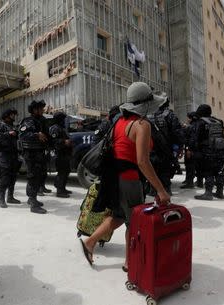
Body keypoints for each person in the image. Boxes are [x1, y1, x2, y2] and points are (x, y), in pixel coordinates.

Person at [79, 82, 171, 269]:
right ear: (145, 105)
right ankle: (130, 264)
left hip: (114, 178)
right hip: (129, 180)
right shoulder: (142, 125)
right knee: (135, 223)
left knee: (120, 216)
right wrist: (161, 190)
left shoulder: (119, 122)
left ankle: (90, 242)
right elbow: (143, 162)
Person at [147, 93, 183, 195]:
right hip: (166, 151)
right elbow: (178, 134)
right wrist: (179, 149)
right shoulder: (170, 115)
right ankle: (166, 192)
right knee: (165, 172)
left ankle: (153, 191)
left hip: (150, 151)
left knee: (152, 171)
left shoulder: (146, 115)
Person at [190, 104, 224, 200]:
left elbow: (196, 138)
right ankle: (220, 192)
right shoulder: (219, 122)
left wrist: (195, 150)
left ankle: (208, 193)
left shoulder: (201, 122)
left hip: (207, 151)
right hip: (220, 150)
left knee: (208, 172)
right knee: (219, 171)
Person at [18, 100, 49, 214]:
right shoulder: (28, 121)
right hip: (30, 153)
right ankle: (33, 202)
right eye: (40, 108)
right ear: (34, 110)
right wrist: (36, 135)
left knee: (39, 176)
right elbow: (22, 135)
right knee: (33, 176)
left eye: (42, 108)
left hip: (40, 152)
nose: (42, 110)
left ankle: (31, 198)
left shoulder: (42, 121)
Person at [0, 108, 21, 208]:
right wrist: (7, 134)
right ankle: (1, 198)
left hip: (14, 154)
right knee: (5, 177)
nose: (13, 116)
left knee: (13, 177)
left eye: (14, 114)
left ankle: (10, 197)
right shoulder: (1, 125)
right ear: (7, 115)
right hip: (5, 155)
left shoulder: (13, 126)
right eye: (12, 114)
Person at [49, 111, 73, 198]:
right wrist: (64, 142)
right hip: (59, 154)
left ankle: (63, 188)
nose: (64, 120)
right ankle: (59, 191)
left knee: (66, 171)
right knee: (61, 172)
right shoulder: (54, 128)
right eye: (63, 118)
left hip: (65, 153)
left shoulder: (61, 127)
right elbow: (53, 141)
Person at [180, 112, 198, 189]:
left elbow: (191, 139)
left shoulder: (191, 127)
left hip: (190, 149)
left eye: (188, 118)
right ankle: (188, 180)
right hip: (193, 149)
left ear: (191, 118)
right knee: (190, 165)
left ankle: (189, 183)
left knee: (190, 165)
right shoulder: (195, 125)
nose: (187, 119)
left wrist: (188, 149)